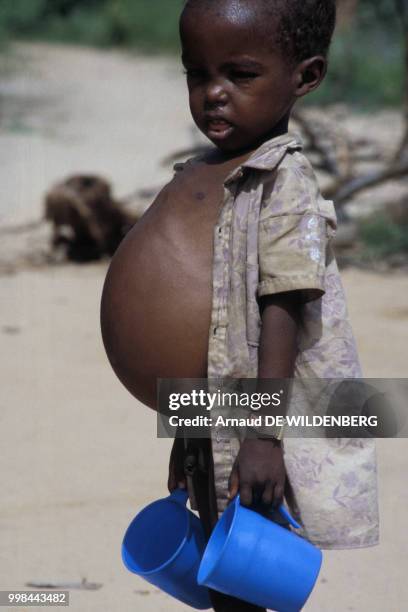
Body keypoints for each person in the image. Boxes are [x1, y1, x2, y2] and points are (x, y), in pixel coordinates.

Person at [165, 1, 379, 610]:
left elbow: (282, 309)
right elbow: (201, 315)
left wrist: (264, 436)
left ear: (305, 77)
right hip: (218, 410)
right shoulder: (214, 176)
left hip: (266, 413)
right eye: (196, 74)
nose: (214, 94)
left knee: (251, 568)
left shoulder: (284, 182)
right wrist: (189, 430)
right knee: (218, 567)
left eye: (240, 74)